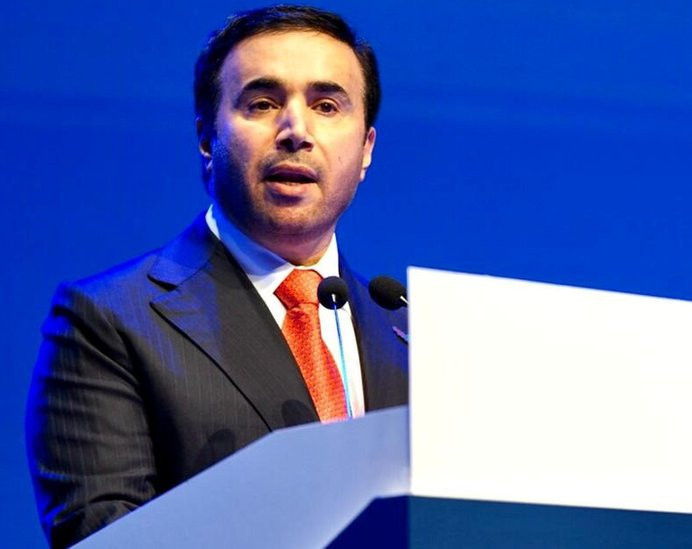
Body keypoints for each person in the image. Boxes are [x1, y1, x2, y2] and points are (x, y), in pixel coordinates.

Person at [24, 6, 408, 548]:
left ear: (366, 148)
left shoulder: (410, 336)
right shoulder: (107, 323)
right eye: (262, 103)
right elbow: (106, 536)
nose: (296, 131)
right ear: (207, 137)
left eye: (326, 106)